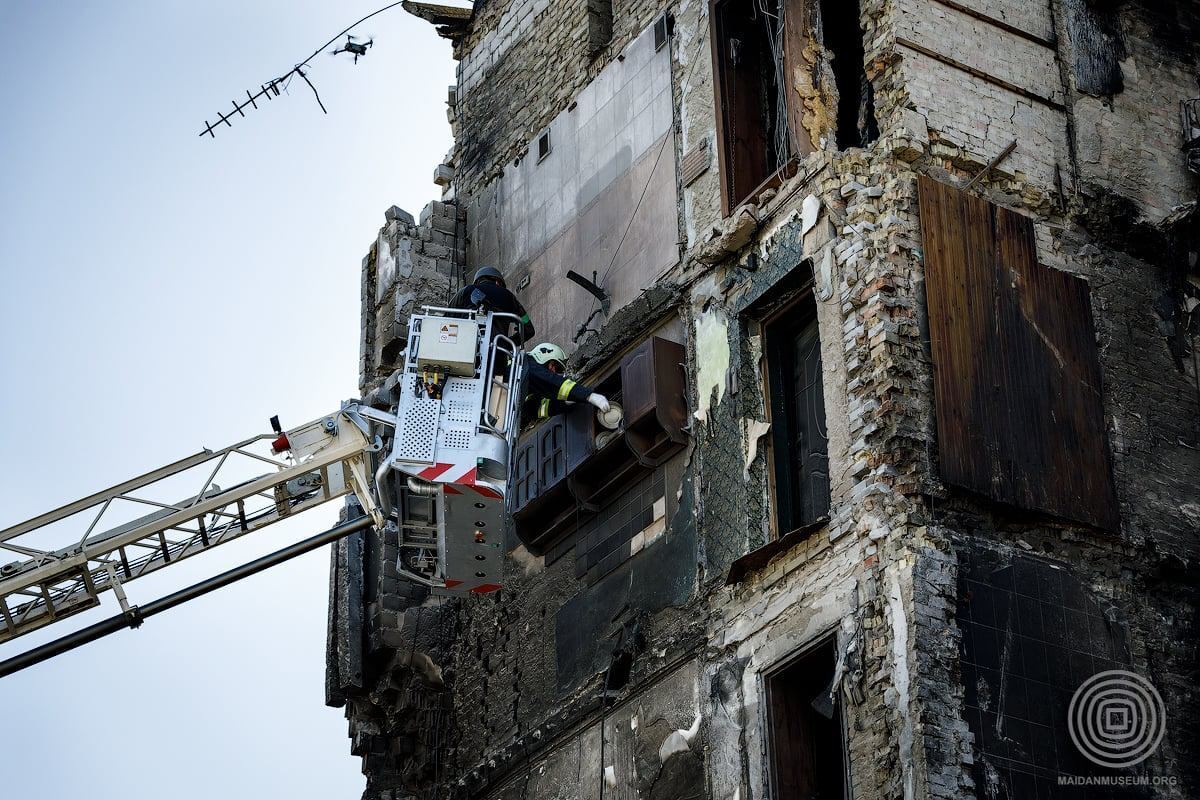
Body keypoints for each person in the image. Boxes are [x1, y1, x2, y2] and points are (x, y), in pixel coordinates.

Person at [522, 342, 610, 427]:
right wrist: (589, 395)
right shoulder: (524, 364)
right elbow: (552, 382)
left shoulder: (528, 389)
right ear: (542, 355)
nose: (553, 371)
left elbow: (535, 409)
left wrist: (566, 402)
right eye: (553, 365)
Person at [450, 266, 535, 343]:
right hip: (497, 354)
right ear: (498, 282)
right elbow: (528, 330)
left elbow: (445, 318)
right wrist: (507, 344)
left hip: (466, 347)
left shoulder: (465, 291)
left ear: (477, 281)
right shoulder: (509, 297)